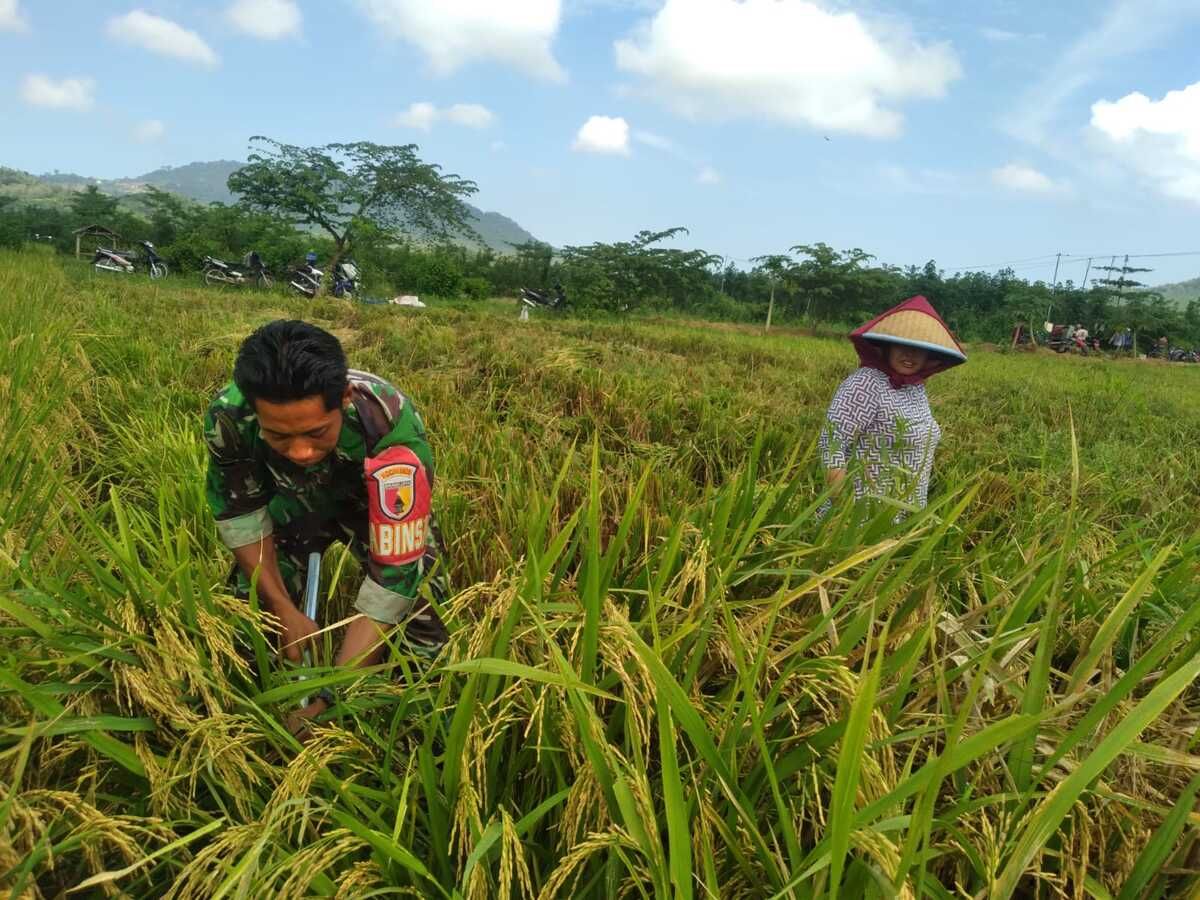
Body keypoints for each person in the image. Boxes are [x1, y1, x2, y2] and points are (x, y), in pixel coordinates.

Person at [204, 320, 449, 731]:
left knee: (423, 611)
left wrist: (332, 693)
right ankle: (250, 713)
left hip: (365, 504)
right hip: (288, 504)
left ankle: (407, 729)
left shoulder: (389, 423)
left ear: (345, 398)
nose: (301, 451)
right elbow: (240, 514)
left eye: (317, 432)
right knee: (251, 618)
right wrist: (283, 609)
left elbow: (395, 575)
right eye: (279, 437)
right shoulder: (230, 417)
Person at [819, 295, 966, 516]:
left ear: (930, 355)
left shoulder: (915, 388)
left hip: (901, 516)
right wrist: (845, 513)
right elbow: (832, 446)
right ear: (887, 346)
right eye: (902, 344)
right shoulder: (866, 383)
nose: (910, 354)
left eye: (919, 347)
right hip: (862, 516)